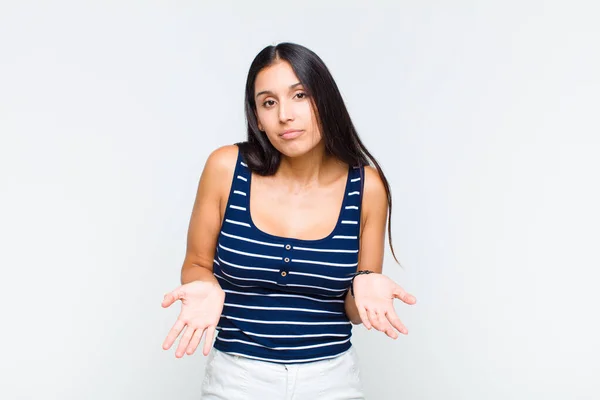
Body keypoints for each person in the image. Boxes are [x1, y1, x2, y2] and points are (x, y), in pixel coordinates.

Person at [161, 42, 417, 399]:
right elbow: (197, 263)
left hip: (331, 380)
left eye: (300, 95)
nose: (285, 114)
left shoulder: (366, 187)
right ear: (258, 117)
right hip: (238, 378)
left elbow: (354, 310)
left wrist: (364, 286)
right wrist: (205, 285)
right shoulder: (226, 168)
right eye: (269, 102)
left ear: (325, 101)